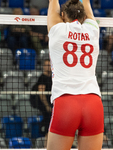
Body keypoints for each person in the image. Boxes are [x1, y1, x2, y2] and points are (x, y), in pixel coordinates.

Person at [47, 0, 104, 150]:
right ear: (84, 16)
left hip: (66, 102)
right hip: (93, 103)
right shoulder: (93, 29)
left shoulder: (58, 30)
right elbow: (86, 3)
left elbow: (53, 2)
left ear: (63, 15)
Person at [36, 59, 52, 147]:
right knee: (47, 129)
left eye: (50, 65)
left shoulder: (53, 77)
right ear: (43, 66)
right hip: (47, 109)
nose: (48, 67)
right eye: (47, 65)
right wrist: (47, 105)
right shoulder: (42, 78)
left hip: (54, 107)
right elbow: (41, 93)